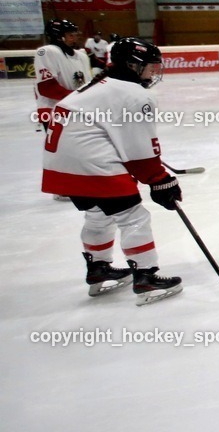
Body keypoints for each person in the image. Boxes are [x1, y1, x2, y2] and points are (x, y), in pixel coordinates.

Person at [41, 37, 183, 305]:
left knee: (97, 214)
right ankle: (146, 277)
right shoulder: (134, 94)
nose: (154, 72)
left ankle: (99, 268)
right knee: (133, 216)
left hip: (60, 165)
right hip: (91, 164)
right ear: (132, 65)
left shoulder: (96, 86)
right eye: (151, 66)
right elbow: (140, 153)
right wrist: (160, 181)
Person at [34, 19, 91, 130]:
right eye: (70, 35)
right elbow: (47, 88)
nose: (75, 38)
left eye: (75, 34)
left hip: (78, 110)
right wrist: (80, 98)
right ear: (59, 37)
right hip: (54, 111)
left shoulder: (82, 56)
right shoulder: (47, 52)